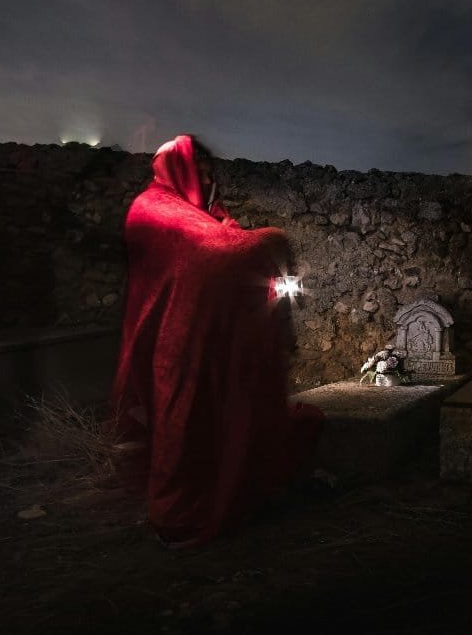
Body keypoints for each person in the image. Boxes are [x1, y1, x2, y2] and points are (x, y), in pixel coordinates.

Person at [110, 134, 323, 549]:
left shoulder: (203, 215)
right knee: (183, 419)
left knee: (223, 415)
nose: (208, 182)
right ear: (178, 171)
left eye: (211, 174)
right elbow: (216, 252)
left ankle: (231, 495)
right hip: (176, 344)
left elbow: (224, 251)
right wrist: (268, 239)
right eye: (200, 173)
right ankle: (178, 516)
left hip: (210, 339)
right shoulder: (151, 208)